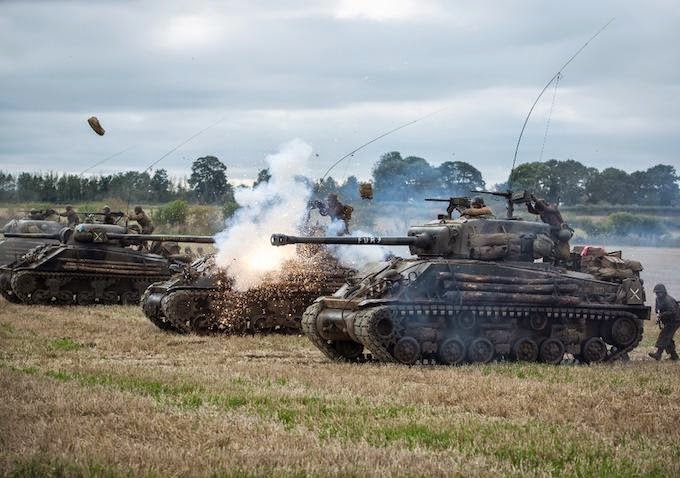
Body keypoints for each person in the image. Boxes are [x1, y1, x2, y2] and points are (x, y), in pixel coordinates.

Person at [649, 284, 680, 361]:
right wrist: (658, 314)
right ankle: (674, 356)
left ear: (663, 292)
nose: (658, 294)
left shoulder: (668, 300)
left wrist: (662, 315)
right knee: (668, 338)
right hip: (668, 321)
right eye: (656, 293)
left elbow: (673, 311)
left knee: (664, 335)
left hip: (675, 321)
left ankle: (658, 354)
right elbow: (657, 309)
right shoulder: (658, 299)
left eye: (659, 292)